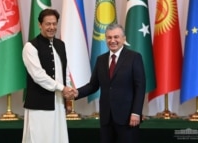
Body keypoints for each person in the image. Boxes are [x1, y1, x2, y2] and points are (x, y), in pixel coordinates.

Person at [73, 23, 146, 143]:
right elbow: (93, 85)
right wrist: (76, 93)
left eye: (116, 37)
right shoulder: (101, 59)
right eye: (109, 37)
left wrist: (136, 112)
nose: (112, 40)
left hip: (127, 118)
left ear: (124, 39)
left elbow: (140, 87)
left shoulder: (134, 57)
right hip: (106, 118)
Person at [22, 8, 73, 143]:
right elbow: (38, 76)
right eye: (48, 24)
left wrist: (68, 99)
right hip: (39, 105)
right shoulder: (30, 47)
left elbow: (65, 72)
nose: (52, 27)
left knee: (58, 138)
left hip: (58, 103)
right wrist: (62, 88)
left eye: (54, 24)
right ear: (40, 25)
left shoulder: (60, 45)